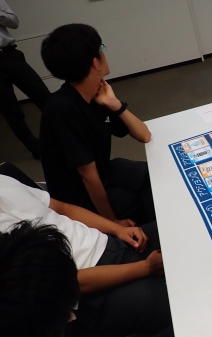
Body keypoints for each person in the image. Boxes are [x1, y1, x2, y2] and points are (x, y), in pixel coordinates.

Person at [0, 174, 172, 337]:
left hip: (109, 243)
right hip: (93, 293)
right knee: (182, 306)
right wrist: (146, 267)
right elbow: (68, 283)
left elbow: (64, 209)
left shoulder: (1, 181)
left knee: (183, 229)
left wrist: (117, 229)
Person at [40, 24, 155, 226]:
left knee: (151, 175)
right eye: (101, 49)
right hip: (76, 197)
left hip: (104, 171)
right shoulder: (62, 109)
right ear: (95, 62)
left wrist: (114, 104)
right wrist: (112, 222)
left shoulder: (96, 94)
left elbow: (144, 135)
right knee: (134, 202)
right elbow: (87, 174)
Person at [0, 0, 50, 159]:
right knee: (11, 112)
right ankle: (36, 149)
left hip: (9, 54)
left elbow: (14, 22)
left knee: (44, 97)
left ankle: (65, 135)